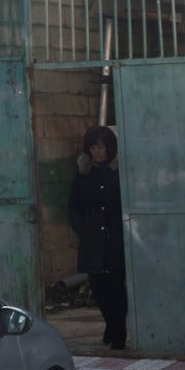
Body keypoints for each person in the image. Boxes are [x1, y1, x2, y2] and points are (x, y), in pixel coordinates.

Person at [68, 125, 127, 350]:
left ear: (109, 148)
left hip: (115, 240)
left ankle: (118, 330)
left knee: (116, 288)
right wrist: (83, 229)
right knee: (98, 287)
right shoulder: (84, 174)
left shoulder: (118, 172)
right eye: (93, 148)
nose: (97, 152)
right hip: (93, 241)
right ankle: (110, 325)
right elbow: (73, 206)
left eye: (101, 147)